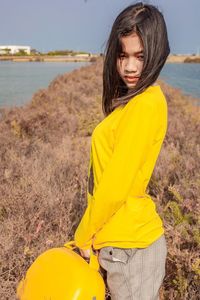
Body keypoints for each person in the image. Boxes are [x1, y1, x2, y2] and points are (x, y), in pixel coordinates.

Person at [74, 2, 170, 299]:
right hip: (121, 243)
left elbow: (116, 184)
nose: (130, 67)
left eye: (140, 57)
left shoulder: (145, 104)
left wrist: (82, 234)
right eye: (122, 55)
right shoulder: (134, 101)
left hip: (131, 248)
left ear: (155, 53)